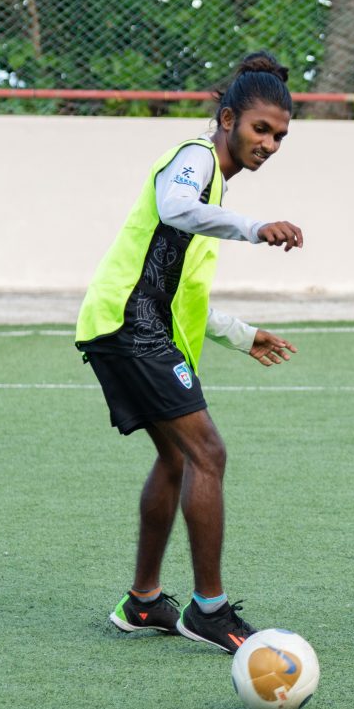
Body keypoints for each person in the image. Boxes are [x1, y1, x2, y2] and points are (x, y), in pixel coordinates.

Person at [75, 53, 306, 654]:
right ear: (227, 118)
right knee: (208, 451)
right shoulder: (196, 159)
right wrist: (256, 228)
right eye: (261, 129)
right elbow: (175, 206)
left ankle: (144, 603)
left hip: (131, 324)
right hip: (131, 326)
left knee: (178, 460)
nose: (271, 143)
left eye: (280, 135)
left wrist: (240, 332)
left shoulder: (214, 187)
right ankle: (209, 610)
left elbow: (182, 291)